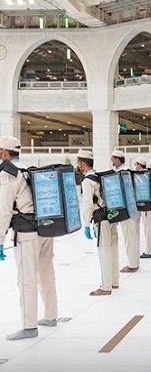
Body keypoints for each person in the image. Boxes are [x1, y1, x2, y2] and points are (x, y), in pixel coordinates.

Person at [0, 136, 58, 340]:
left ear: (4, 153)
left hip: (26, 234)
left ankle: (29, 326)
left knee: (26, 279)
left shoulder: (8, 174)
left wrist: (0, 240)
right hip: (45, 230)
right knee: (46, 274)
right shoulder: (29, 169)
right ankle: (51, 316)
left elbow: (4, 211)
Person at [80, 149, 120, 296]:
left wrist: (86, 224)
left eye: (79, 163)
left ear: (83, 164)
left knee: (104, 251)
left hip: (100, 219)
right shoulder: (98, 177)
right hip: (111, 217)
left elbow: (88, 204)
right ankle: (114, 281)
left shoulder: (87, 181)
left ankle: (106, 286)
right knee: (113, 249)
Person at [112, 150, 141, 273]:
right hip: (133, 209)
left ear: (118, 160)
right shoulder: (128, 171)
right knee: (133, 236)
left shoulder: (121, 173)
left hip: (127, 211)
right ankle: (135, 262)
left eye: (113, 159)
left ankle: (132, 265)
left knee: (130, 238)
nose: (112, 162)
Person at [136, 158, 151, 259]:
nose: (135, 167)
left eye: (136, 165)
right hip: (150, 206)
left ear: (139, 166)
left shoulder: (143, 177)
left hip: (147, 207)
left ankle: (150, 251)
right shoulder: (148, 175)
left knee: (148, 229)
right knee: (150, 228)